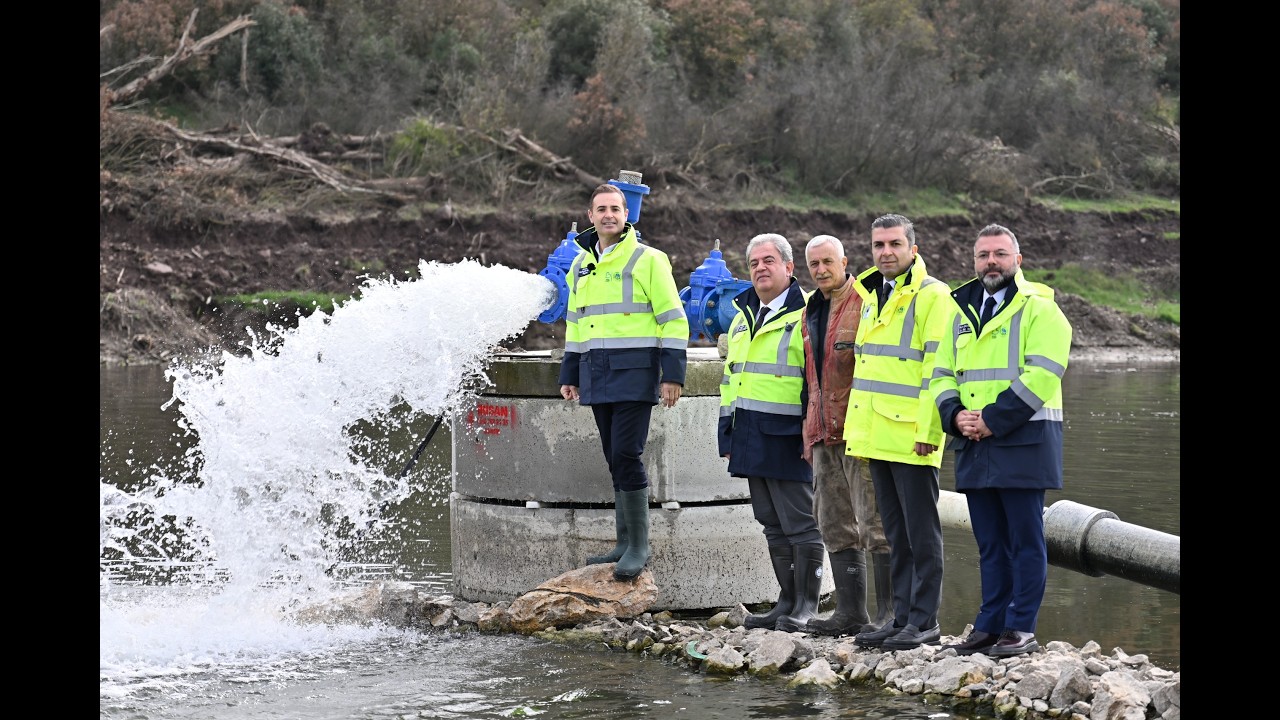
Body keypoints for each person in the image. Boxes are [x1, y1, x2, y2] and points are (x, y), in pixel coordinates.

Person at [932, 224, 1073, 657]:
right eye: (983, 255)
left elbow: (1044, 373)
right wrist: (955, 417)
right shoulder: (959, 311)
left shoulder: (1040, 309)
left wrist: (992, 419)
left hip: (1023, 441)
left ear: (1018, 259)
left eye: (999, 254)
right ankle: (989, 625)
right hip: (974, 443)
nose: (991, 262)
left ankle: (1021, 628)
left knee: (1024, 541)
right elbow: (940, 374)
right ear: (973, 262)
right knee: (990, 543)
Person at [558, 183, 690, 581]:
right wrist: (570, 373)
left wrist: (673, 375)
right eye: (601, 209)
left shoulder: (649, 259)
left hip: (636, 371)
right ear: (590, 215)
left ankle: (639, 546)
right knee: (613, 455)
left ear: (626, 214)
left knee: (627, 453)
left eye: (616, 208)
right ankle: (622, 541)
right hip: (596, 373)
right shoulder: (580, 265)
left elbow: (674, 318)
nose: (609, 215)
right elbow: (575, 324)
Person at [845, 214, 954, 651]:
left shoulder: (933, 296)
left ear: (913, 247)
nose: (885, 252)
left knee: (922, 535)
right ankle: (902, 617)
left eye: (894, 244)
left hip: (913, 435)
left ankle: (925, 621)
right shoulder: (873, 293)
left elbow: (938, 368)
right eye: (878, 245)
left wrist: (930, 429)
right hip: (877, 434)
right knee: (896, 533)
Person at [718, 233, 823, 632]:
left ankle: (807, 608)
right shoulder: (742, 315)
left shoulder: (808, 313)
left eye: (769, 261)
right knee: (770, 521)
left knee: (801, 522)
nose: (760, 268)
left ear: (789, 267)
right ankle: (787, 601)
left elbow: (817, 380)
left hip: (790, 436)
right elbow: (731, 380)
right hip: (749, 433)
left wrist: (812, 433)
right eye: (754, 263)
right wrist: (726, 434)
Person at [797, 234, 892, 637]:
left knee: (876, 523)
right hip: (822, 433)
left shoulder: (866, 303)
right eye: (814, 264)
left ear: (845, 261)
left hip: (860, 431)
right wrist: (808, 432)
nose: (821, 270)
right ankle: (851, 613)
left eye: (827, 262)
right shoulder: (809, 310)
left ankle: (891, 615)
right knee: (832, 521)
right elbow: (811, 378)